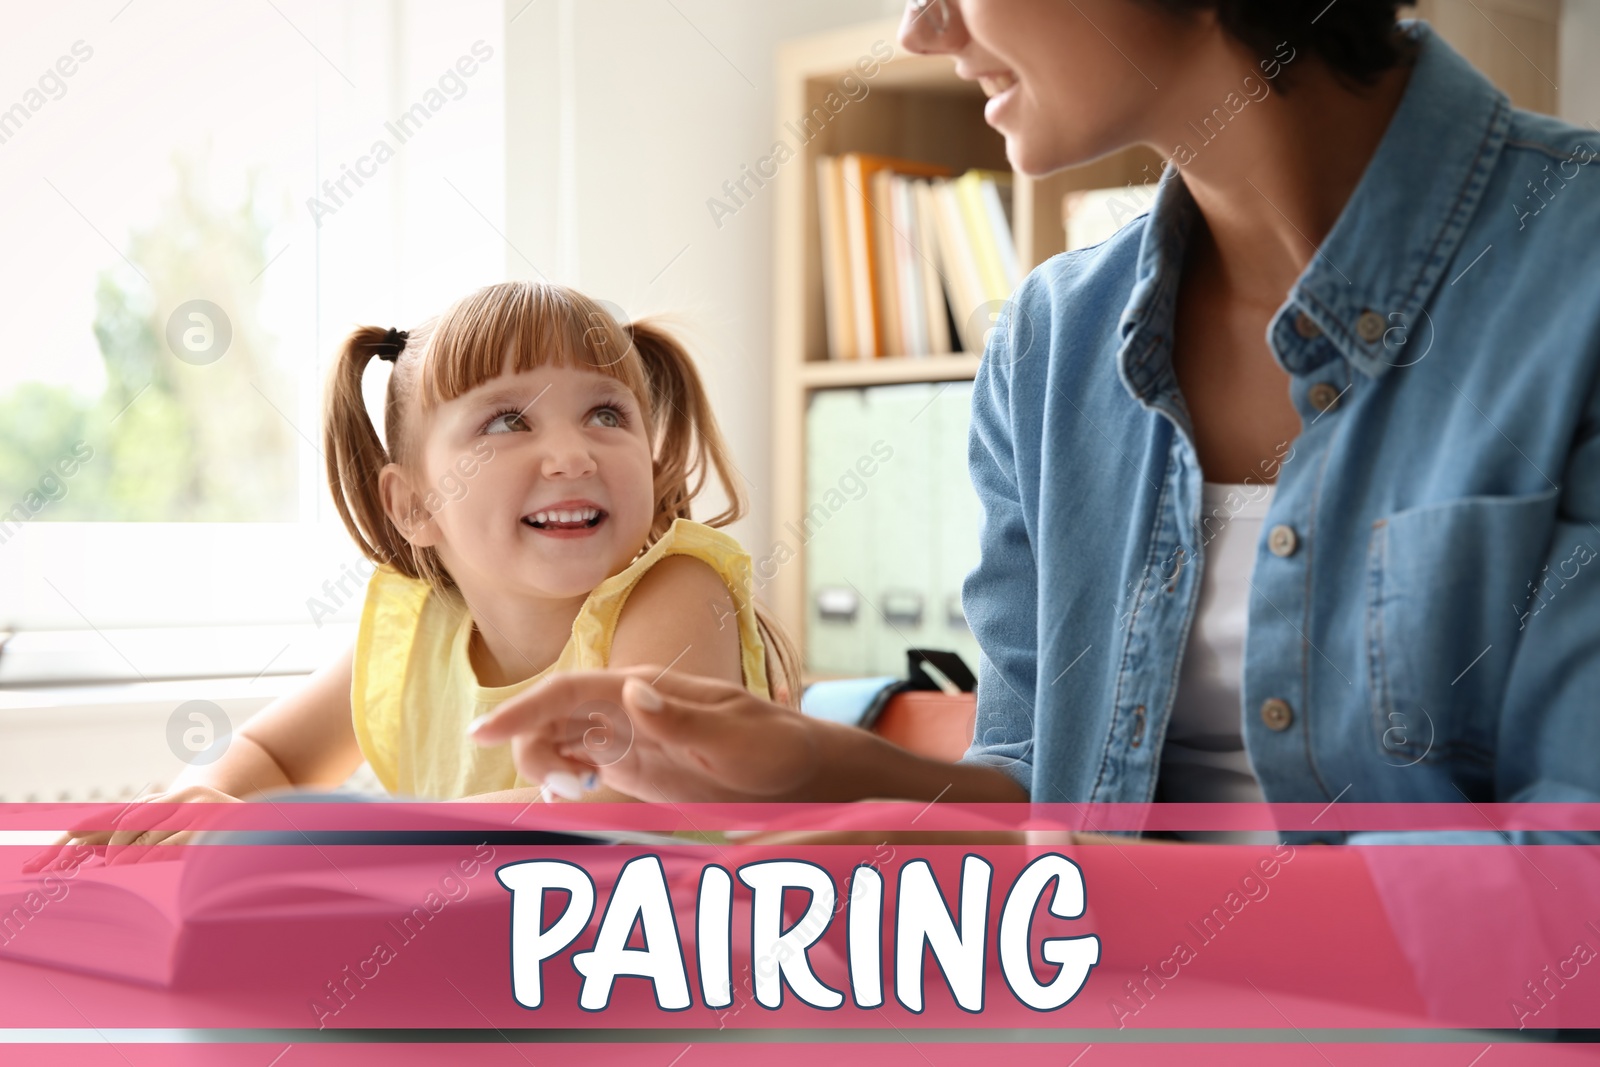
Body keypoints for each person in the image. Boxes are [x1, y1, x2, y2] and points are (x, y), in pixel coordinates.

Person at [468, 0, 1600, 843]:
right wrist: (814, 762)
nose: (922, 26)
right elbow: (1046, 797)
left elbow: (1568, 894)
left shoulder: (1574, 273)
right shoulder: (1046, 344)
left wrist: (1122, 918)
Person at [26, 281, 798, 869]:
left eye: (607, 414)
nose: (572, 453)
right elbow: (276, 755)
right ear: (414, 504)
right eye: (508, 421)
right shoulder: (418, 629)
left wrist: (302, 829)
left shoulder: (676, 588)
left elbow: (620, 798)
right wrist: (189, 810)